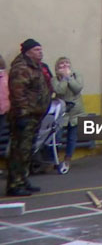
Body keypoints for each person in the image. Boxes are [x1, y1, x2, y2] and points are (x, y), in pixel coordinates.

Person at [6, 39, 53, 196]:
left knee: (27, 151)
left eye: (41, 49)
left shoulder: (36, 66)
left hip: (35, 115)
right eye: (36, 49)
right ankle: (15, 184)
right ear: (27, 52)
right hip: (24, 116)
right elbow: (18, 93)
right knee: (20, 151)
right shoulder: (21, 68)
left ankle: (23, 180)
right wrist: (23, 114)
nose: (40, 52)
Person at [53, 57, 85, 168]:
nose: (65, 65)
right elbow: (59, 91)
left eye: (67, 63)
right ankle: (54, 159)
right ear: (57, 67)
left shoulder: (76, 76)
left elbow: (77, 88)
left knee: (72, 137)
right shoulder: (54, 79)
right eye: (62, 64)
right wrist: (64, 79)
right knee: (57, 136)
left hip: (76, 112)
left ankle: (68, 159)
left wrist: (69, 78)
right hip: (62, 112)